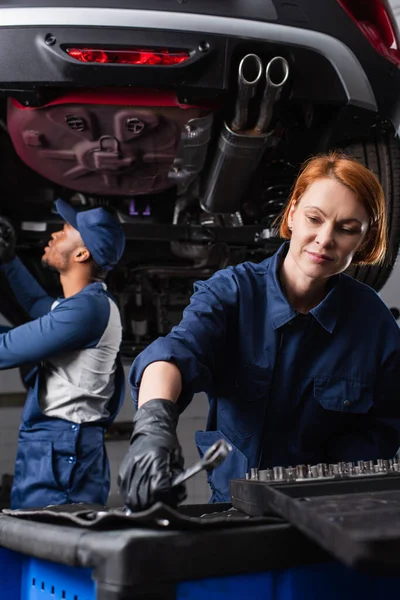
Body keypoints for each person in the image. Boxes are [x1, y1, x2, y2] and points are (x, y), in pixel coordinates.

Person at [118, 151, 400, 511]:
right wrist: (152, 430)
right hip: (233, 505)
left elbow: (385, 425)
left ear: (364, 238)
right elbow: (175, 353)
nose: (325, 239)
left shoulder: (374, 325)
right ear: (292, 212)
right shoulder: (232, 292)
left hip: (328, 514)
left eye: (347, 228)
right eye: (315, 218)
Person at [0, 199, 126, 509]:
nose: (54, 235)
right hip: (60, 446)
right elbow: (35, 304)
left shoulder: (87, 310)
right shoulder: (82, 304)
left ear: (82, 254)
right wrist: (8, 259)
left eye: (66, 230)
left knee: (49, 544)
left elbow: (5, 350)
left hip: (62, 449)